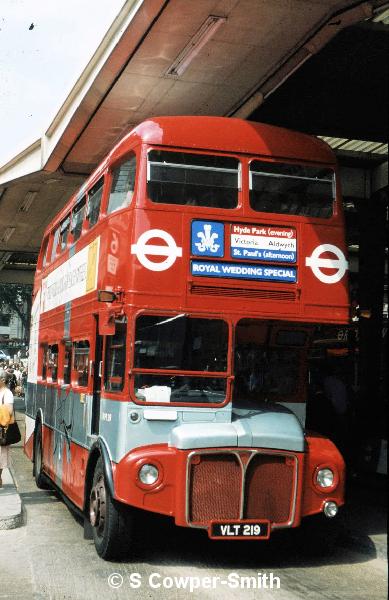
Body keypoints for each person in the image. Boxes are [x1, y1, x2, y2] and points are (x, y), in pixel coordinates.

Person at [0, 370, 14, 488]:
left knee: (1, 456)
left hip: (1, 429)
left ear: (3, 380)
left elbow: (8, 411)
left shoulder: (8, 393)